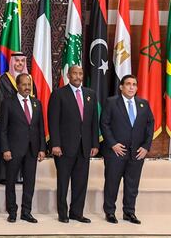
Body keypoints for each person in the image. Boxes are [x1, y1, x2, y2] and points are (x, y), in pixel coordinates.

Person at [100, 74, 154, 224]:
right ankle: (110, 212)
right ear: (121, 87)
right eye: (128, 84)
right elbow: (104, 124)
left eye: (134, 84)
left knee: (132, 185)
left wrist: (146, 147)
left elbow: (150, 125)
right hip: (116, 152)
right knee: (112, 183)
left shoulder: (143, 104)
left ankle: (129, 212)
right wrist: (113, 144)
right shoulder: (111, 102)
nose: (131, 87)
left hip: (136, 153)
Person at [47, 65, 98, 223]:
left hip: (84, 147)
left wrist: (95, 143)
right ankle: (63, 213)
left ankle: (77, 212)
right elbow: (53, 121)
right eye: (74, 73)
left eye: (80, 73)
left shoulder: (90, 94)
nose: (78, 76)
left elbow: (93, 122)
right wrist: (55, 144)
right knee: (63, 181)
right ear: (68, 75)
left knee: (81, 181)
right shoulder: (59, 94)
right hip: (64, 147)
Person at [0, 73, 46, 223]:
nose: (27, 87)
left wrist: (42, 149)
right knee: (10, 181)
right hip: (13, 150)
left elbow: (40, 129)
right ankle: (12, 211)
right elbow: (3, 129)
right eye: (24, 84)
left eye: (29, 84)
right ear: (17, 86)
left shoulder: (37, 103)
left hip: (32, 149)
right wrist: (5, 148)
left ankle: (26, 211)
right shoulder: (8, 103)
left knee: (29, 182)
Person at [0, 52, 32, 184]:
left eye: (22, 61)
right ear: (12, 62)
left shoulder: (29, 79)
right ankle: (4, 177)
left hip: (26, 124)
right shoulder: (4, 78)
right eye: (17, 61)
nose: (20, 63)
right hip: (9, 123)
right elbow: (0, 101)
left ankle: (22, 176)